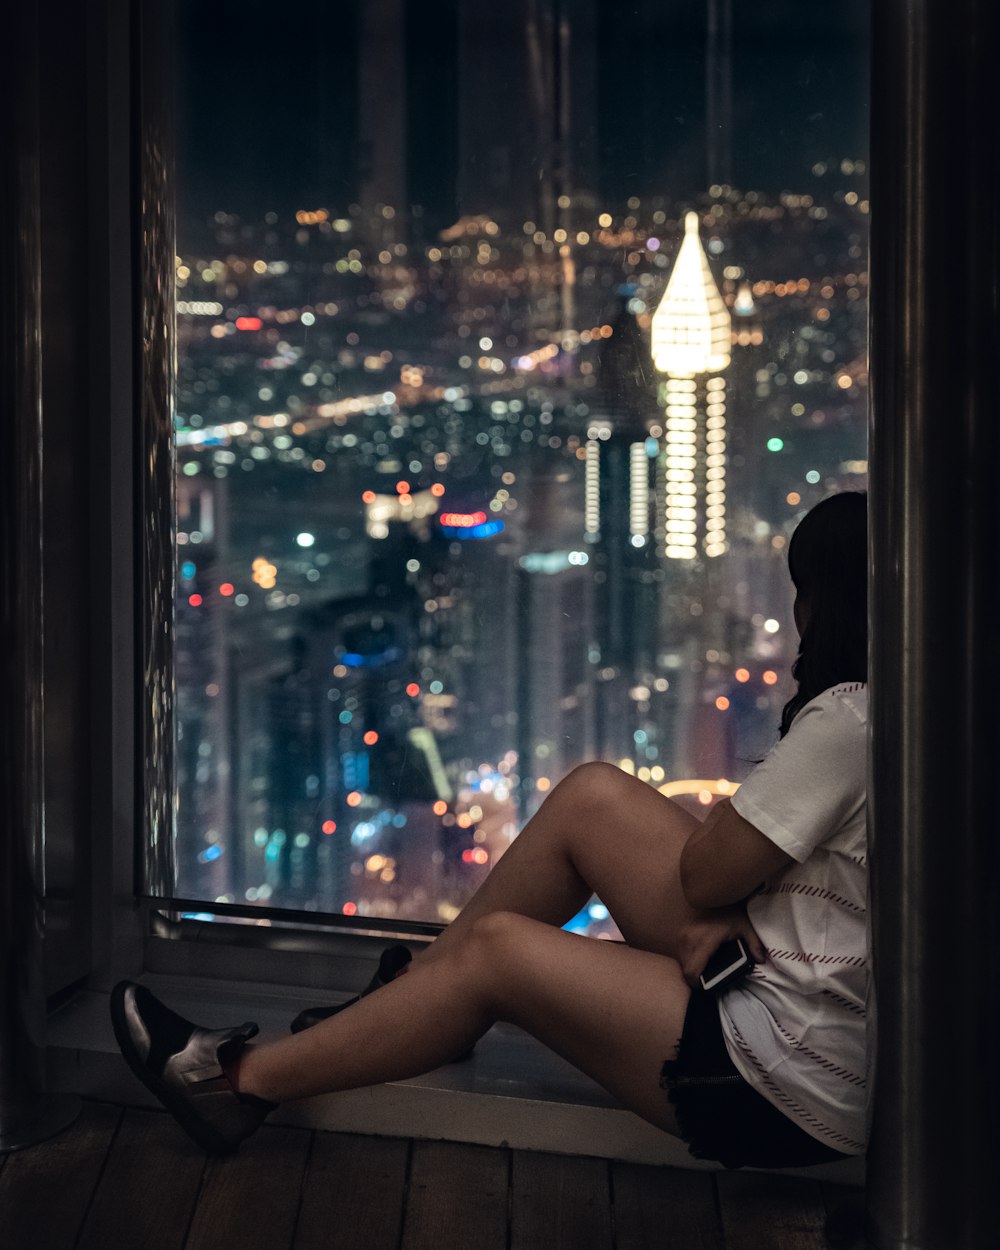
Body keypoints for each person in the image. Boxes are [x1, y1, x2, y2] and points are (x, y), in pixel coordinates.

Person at [111, 491, 869, 1170]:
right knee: (592, 798)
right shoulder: (899, 697)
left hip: (784, 1078)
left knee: (496, 950)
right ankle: (418, 1004)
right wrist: (742, 901)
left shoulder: (848, 720)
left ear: (820, 606)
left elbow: (707, 875)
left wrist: (730, 898)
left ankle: (235, 1084)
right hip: (793, 992)